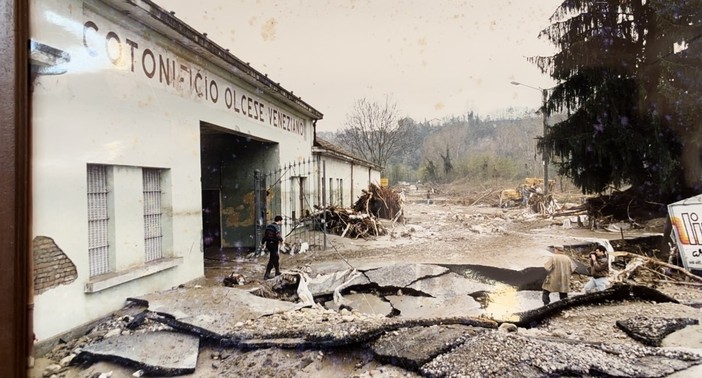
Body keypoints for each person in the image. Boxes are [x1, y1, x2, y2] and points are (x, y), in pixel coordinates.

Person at [261, 215, 283, 279]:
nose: (282, 222)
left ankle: (277, 271)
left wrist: (263, 243)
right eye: (281, 221)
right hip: (274, 244)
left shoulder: (269, 226)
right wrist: (282, 241)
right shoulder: (276, 227)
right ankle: (266, 275)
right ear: (279, 221)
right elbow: (278, 235)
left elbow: (265, 236)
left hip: (268, 244)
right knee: (272, 259)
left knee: (276, 257)